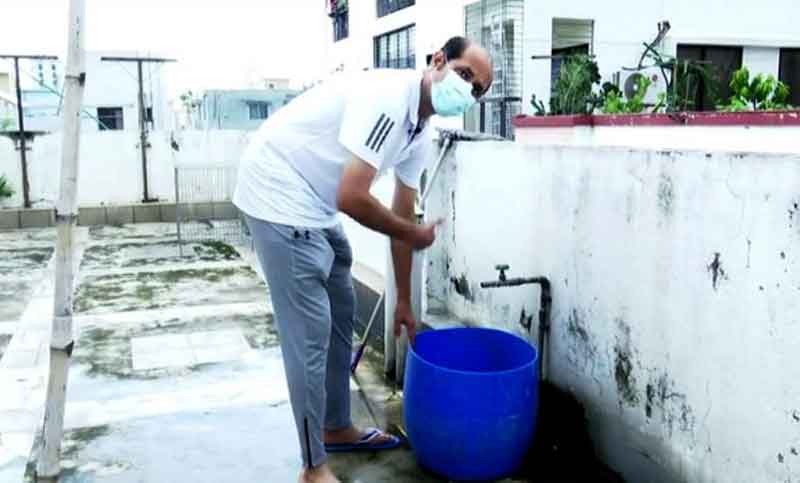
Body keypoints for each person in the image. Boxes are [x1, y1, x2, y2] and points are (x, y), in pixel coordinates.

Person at [233, 36, 493, 483]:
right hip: (277, 190)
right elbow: (353, 196)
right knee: (309, 337)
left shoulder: (420, 131)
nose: (468, 91)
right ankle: (313, 467)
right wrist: (412, 233)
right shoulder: (390, 100)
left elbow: (402, 210)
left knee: (341, 306)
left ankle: (335, 427)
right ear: (438, 61)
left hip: (314, 202)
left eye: (478, 90)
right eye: (465, 74)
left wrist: (406, 305)